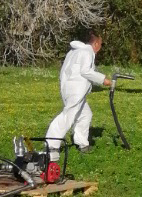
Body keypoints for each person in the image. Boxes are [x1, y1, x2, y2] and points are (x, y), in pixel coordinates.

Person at [46, 31, 110, 160]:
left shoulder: (74, 52)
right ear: (96, 43)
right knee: (67, 117)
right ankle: (51, 145)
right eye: (101, 44)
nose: (100, 47)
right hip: (75, 90)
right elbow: (86, 71)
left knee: (86, 114)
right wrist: (103, 79)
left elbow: (64, 71)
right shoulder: (87, 52)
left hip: (69, 88)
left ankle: (82, 143)